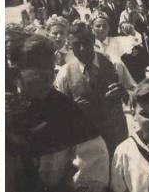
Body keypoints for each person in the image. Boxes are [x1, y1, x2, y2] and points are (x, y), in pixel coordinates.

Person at [6, 34, 110, 192]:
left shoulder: (64, 109)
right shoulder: (4, 107)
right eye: (39, 72)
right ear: (16, 72)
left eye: (51, 71)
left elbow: (95, 159)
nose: (48, 79)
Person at [55, 22, 129, 160]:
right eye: (76, 45)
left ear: (93, 40)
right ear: (70, 45)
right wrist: (73, 108)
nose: (82, 48)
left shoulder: (114, 63)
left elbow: (135, 96)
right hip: (86, 145)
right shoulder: (65, 73)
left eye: (86, 42)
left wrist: (124, 93)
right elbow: (59, 114)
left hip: (117, 137)